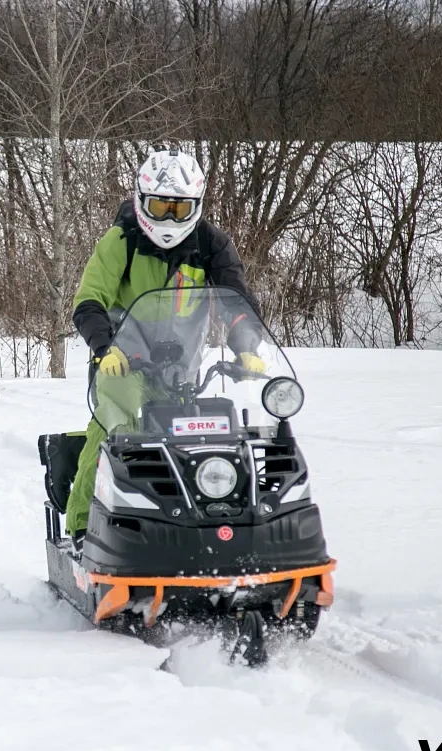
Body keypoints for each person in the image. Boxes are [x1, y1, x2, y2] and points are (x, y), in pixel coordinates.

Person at [64, 147, 267, 544]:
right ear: (142, 202)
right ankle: (85, 525)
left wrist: (245, 345)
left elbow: (237, 301)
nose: (170, 218)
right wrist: (105, 348)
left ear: (196, 205)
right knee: (119, 426)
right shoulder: (121, 239)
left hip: (182, 368)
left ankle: (206, 525)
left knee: (209, 433)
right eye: (160, 207)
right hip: (122, 362)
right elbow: (89, 299)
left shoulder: (211, 244)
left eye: (180, 208)